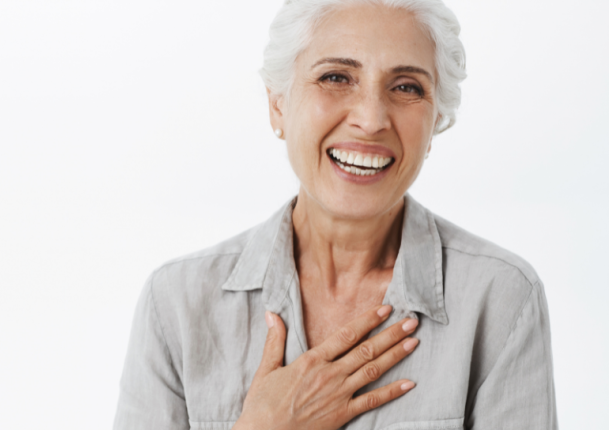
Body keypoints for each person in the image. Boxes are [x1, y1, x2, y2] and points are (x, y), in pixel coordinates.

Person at [113, 0, 557, 429]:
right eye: (336, 77)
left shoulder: (501, 298)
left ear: (436, 120)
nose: (370, 119)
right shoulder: (176, 303)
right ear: (278, 104)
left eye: (406, 87)